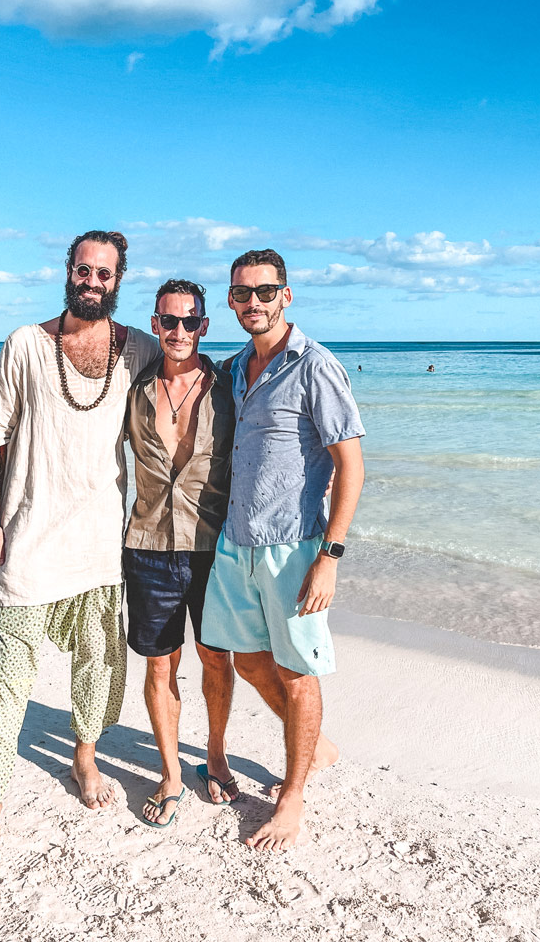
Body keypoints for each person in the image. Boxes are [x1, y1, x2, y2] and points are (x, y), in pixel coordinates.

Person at [0, 230, 157, 881]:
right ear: (69, 272)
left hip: (100, 544)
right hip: (30, 539)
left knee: (99, 668)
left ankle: (85, 756)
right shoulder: (25, 344)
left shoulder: (140, 351)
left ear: (119, 280)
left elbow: (183, 408)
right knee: (3, 681)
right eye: (83, 269)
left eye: (105, 273)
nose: (92, 280)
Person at [202, 248, 365, 852]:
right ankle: (314, 745)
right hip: (234, 542)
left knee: (298, 674)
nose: (254, 303)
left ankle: (293, 797)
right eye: (242, 293)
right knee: (246, 661)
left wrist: (331, 554)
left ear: (286, 295)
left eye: (265, 292)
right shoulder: (234, 367)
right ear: (230, 300)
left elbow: (351, 466)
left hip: (293, 547)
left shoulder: (315, 367)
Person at [124, 279, 237, 829]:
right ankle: (171, 772)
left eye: (190, 322)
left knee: (216, 657)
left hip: (212, 546)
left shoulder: (230, 385)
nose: (179, 332)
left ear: (205, 326)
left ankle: (214, 754)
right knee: (159, 662)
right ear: (155, 324)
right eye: (169, 321)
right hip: (146, 544)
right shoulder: (133, 389)